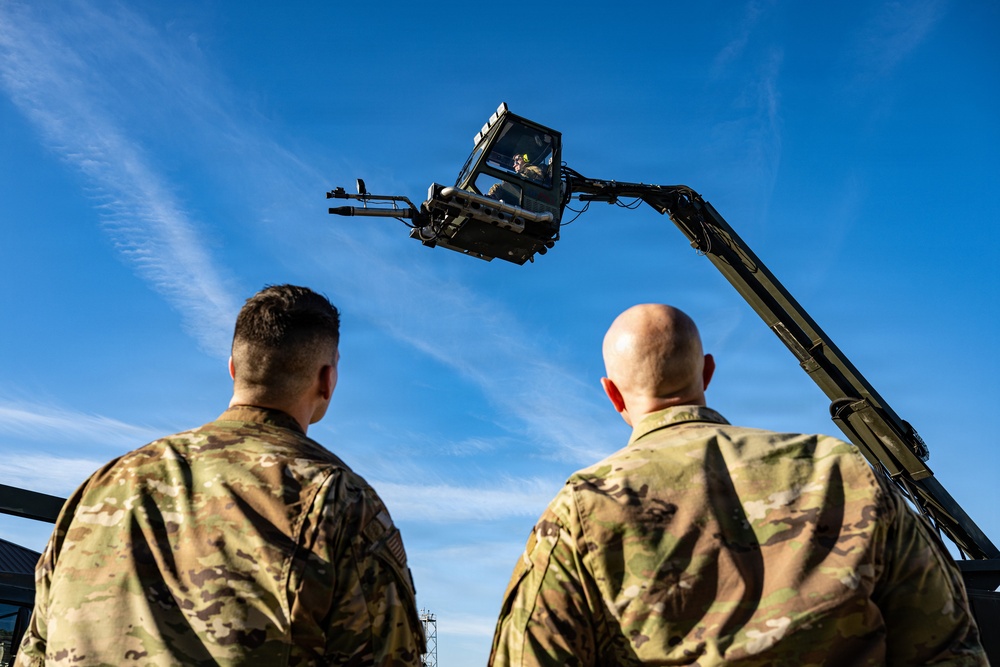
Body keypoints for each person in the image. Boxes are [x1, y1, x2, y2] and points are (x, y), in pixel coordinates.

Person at [489, 304, 986, 666]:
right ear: (707, 372)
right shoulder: (841, 469)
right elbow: (949, 649)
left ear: (612, 394)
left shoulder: (584, 504)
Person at [17, 285, 425, 666]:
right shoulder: (338, 499)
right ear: (326, 380)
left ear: (233, 369)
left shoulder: (101, 486)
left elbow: (34, 652)